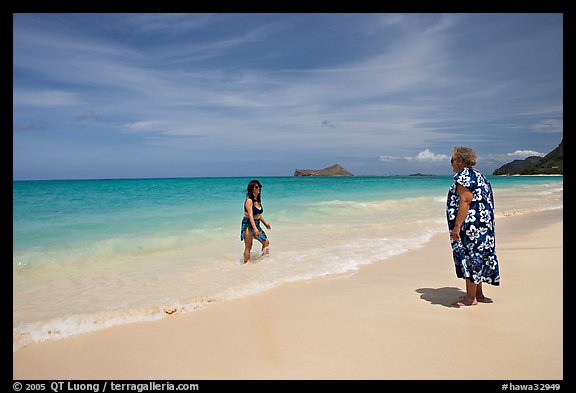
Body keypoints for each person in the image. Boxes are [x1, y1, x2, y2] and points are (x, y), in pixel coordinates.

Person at [446, 146, 500, 307]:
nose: (452, 164)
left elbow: (466, 200)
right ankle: (478, 293)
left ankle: (470, 298)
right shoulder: (480, 175)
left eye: (453, 160)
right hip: (484, 225)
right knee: (479, 256)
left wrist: (457, 227)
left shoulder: (464, 176)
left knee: (470, 257)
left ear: (460, 161)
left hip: (471, 226)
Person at [241, 179, 271, 264]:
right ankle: (245, 265)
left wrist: (265, 223)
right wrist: (255, 229)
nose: (259, 189)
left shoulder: (257, 200)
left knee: (266, 242)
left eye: (259, 187)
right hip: (248, 225)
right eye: (256, 187)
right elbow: (250, 216)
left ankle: (263, 262)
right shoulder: (249, 200)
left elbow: (257, 215)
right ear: (252, 189)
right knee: (248, 247)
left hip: (256, 224)